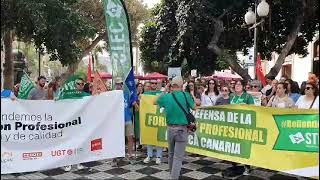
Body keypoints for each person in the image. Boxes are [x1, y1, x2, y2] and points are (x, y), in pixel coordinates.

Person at [156, 76, 195, 179]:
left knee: (171, 154)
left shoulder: (167, 97)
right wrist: (191, 93)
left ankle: (171, 174)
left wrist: (165, 88)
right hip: (182, 129)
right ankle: (174, 177)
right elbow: (194, 107)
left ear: (172, 85)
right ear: (182, 85)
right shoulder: (186, 95)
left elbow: (155, 101)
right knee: (178, 157)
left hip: (170, 129)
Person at [143, 79, 163, 164]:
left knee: (159, 137)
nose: (154, 84)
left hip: (158, 117)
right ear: (150, 84)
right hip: (149, 118)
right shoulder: (145, 94)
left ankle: (158, 156)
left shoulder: (161, 93)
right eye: (152, 83)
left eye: (156, 83)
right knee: (149, 137)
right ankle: (149, 155)